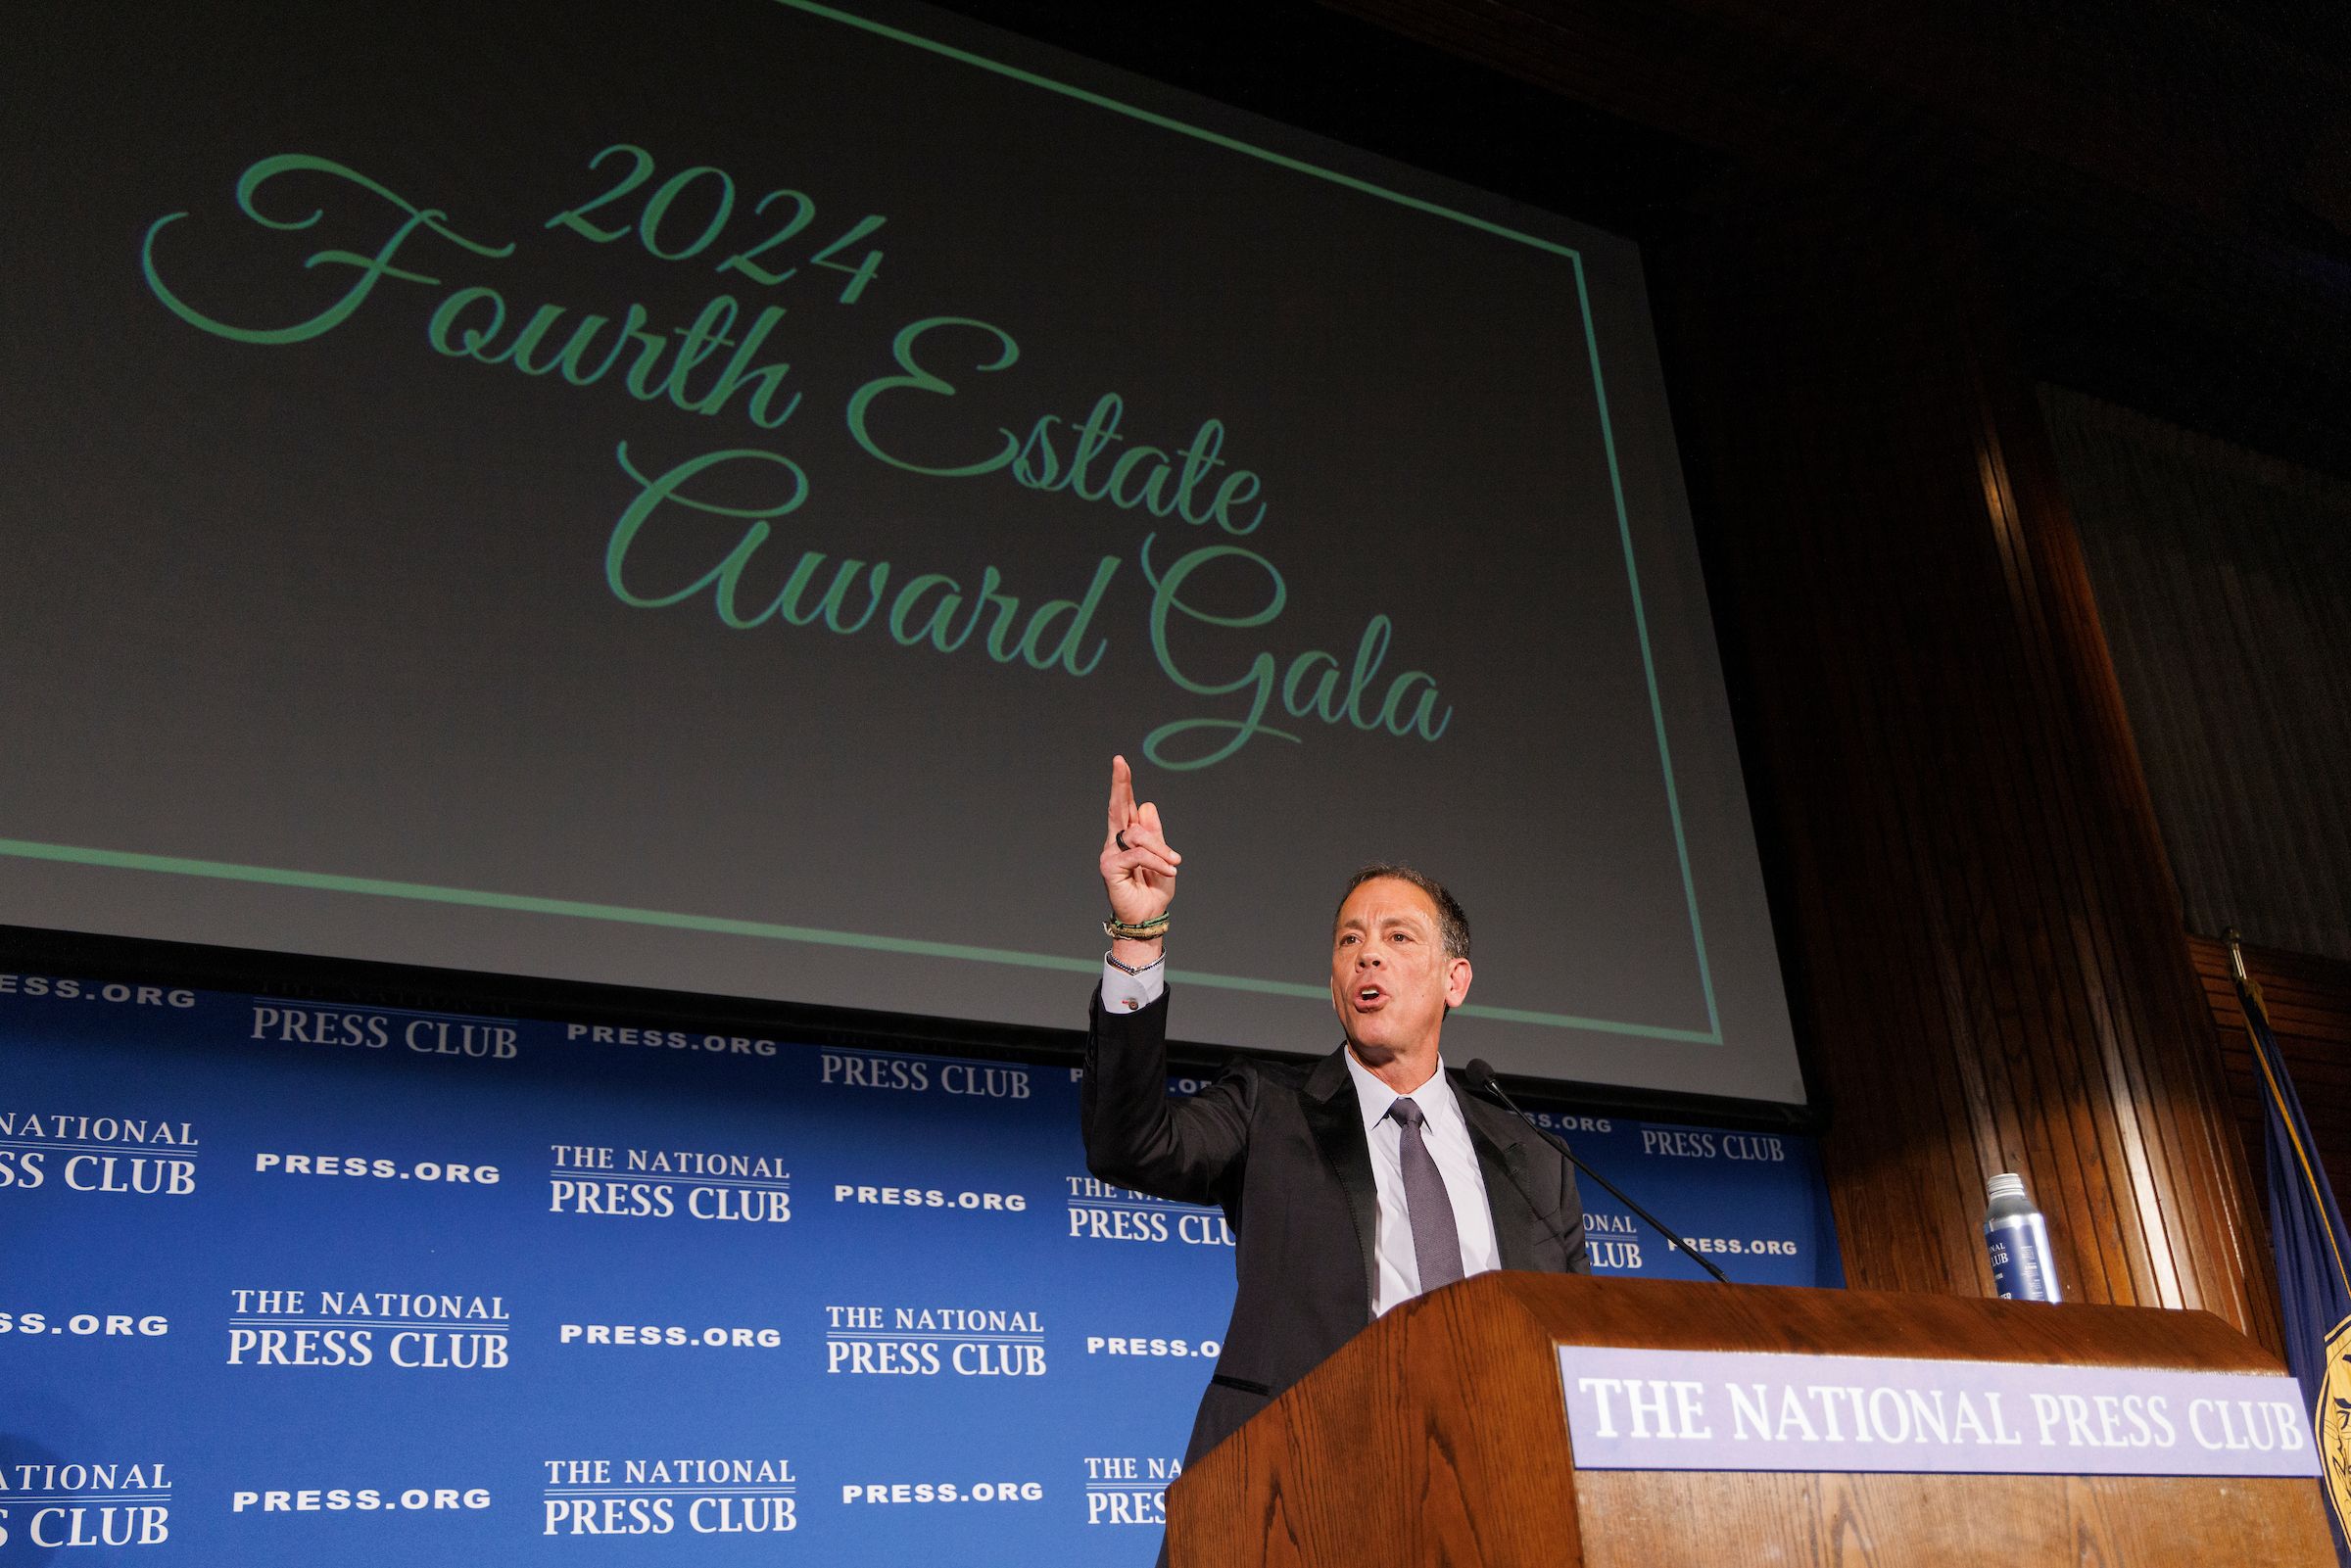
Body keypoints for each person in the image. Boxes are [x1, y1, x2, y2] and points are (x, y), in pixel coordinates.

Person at [1082, 755, 1589, 1469]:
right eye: (1350, 940)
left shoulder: (1533, 1159)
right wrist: (1138, 939)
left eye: (1398, 937)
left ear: (1455, 981)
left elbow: (1578, 1347)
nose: (1367, 956)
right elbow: (1130, 1145)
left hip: (1502, 1472)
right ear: (1333, 985)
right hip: (1310, 1476)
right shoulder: (1268, 1109)